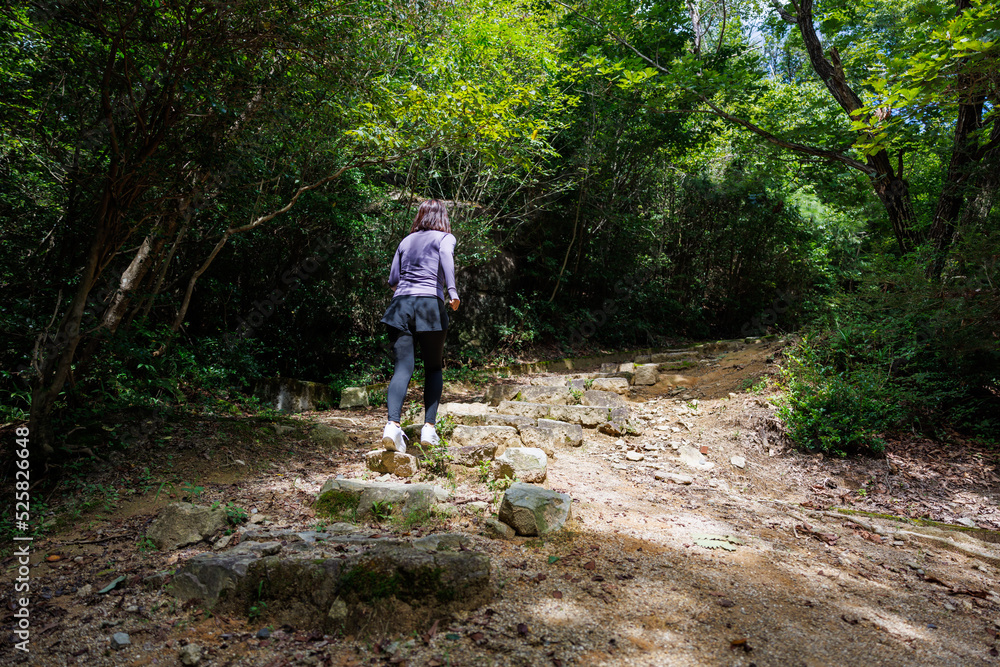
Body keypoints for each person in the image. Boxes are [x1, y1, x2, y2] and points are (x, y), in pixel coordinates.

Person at [379, 199, 460, 454]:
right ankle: (429, 429)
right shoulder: (446, 238)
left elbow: (393, 278)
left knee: (403, 367)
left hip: (400, 305)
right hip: (429, 305)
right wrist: (452, 291)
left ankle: (392, 427)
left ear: (421, 215)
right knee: (433, 367)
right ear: (443, 216)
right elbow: (446, 256)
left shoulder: (406, 240)